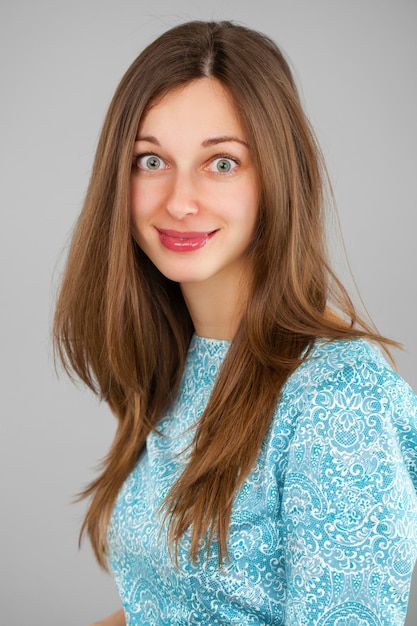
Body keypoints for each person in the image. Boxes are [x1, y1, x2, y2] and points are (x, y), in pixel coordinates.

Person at [53, 20, 417, 626]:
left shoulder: (337, 396)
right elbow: (171, 607)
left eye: (222, 163)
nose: (179, 199)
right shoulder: (182, 361)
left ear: (277, 177)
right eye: (150, 160)